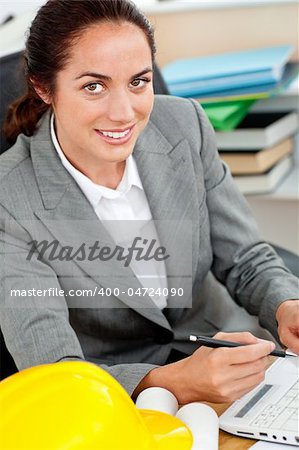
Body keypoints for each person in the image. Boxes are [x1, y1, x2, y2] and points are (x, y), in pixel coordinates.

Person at [0, 0, 298, 405]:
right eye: (94, 86)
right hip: (114, 394)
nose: (124, 114)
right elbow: (55, 373)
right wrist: (173, 381)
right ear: (43, 87)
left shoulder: (184, 125)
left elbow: (245, 257)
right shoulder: (10, 198)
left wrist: (285, 304)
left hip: (231, 354)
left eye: (138, 82)